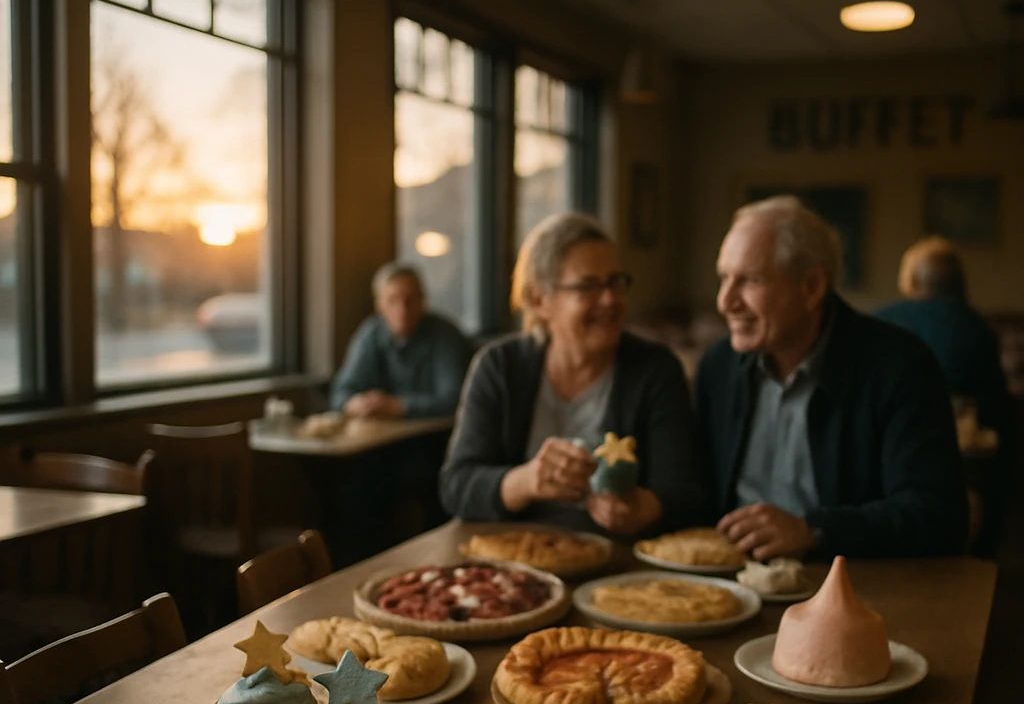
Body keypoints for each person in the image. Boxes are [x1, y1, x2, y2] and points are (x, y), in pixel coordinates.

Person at [696, 195, 968, 560]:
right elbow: (696, 495)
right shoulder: (718, 367)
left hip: (850, 587)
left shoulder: (900, 366)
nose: (725, 301)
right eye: (724, 278)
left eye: (751, 280)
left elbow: (937, 516)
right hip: (726, 587)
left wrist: (813, 529)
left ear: (811, 288)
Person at [440, 212, 707, 536]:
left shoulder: (655, 370)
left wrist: (640, 508)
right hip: (509, 559)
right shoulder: (498, 366)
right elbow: (456, 486)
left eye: (616, 282)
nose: (610, 299)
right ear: (539, 300)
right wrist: (528, 481)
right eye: (589, 286)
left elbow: (685, 494)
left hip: (615, 564)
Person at [876, 236, 1010, 437]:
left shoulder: (881, 323)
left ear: (911, 279)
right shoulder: (980, 329)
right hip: (967, 448)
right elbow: (997, 405)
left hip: (896, 435)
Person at [329, 263, 473, 418]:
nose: (402, 309)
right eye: (393, 299)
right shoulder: (370, 335)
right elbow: (340, 393)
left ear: (422, 301)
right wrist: (355, 404)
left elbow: (453, 400)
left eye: (410, 299)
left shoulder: (445, 336)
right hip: (383, 434)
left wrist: (400, 406)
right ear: (379, 304)